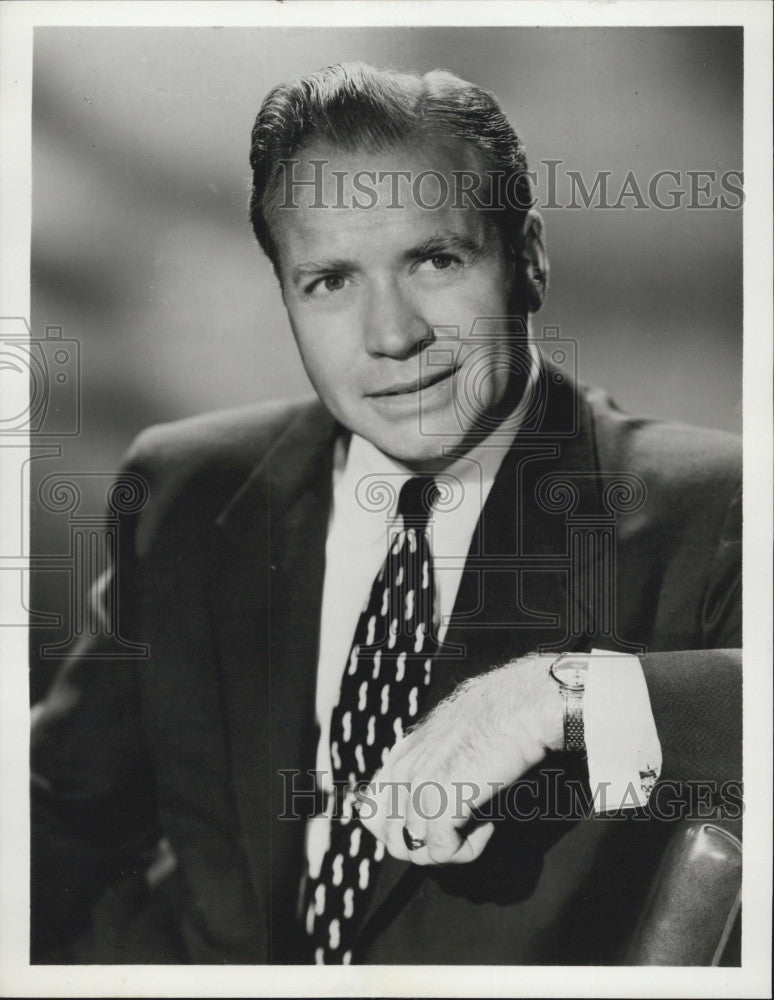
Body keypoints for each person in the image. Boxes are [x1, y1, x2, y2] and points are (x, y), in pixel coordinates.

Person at [31, 62, 742, 966]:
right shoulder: (186, 488)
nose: (392, 335)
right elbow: (58, 829)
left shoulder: (711, 503)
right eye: (329, 280)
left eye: (435, 260)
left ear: (529, 258)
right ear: (285, 295)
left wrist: (550, 696)